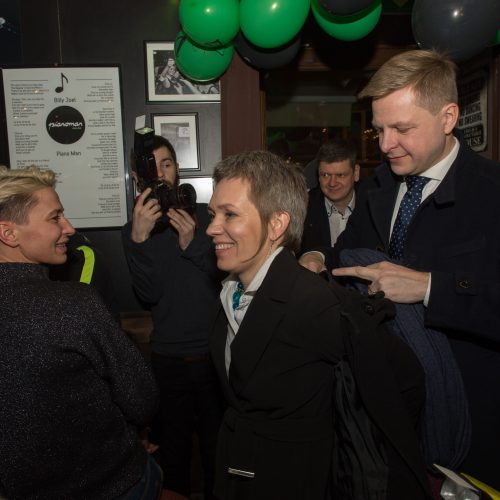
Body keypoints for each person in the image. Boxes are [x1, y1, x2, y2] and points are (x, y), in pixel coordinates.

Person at [299, 49, 500, 490]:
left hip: (471, 430)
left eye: (402, 129)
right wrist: (318, 258)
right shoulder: (380, 186)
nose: (385, 143)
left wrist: (429, 288)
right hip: (388, 415)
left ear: (448, 117)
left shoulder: (491, 194)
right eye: (380, 128)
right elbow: (346, 254)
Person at [205, 150, 430, 500]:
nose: (211, 227)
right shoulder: (230, 290)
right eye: (213, 213)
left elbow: (406, 380)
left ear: (276, 224)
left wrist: (353, 451)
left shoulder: (313, 303)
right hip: (241, 472)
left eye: (229, 214)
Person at [0, 165, 161, 499]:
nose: (69, 228)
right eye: (54, 218)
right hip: (109, 486)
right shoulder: (71, 304)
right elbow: (142, 400)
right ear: (9, 233)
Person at [122, 136, 224, 500]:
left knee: (219, 450)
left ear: (177, 167)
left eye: (167, 164)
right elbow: (148, 295)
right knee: (175, 454)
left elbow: (221, 280)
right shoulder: (137, 228)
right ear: (139, 177)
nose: (161, 173)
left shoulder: (207, 215)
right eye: (152, 167)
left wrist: (192, 242)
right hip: (168, 360)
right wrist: (138, 239)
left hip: (214, 355)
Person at [300, 139, 360, 260]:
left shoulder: (373, 206)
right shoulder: (303, 208)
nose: (332, 183)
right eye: (325, 175)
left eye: (340, 175)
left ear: (356, 173)